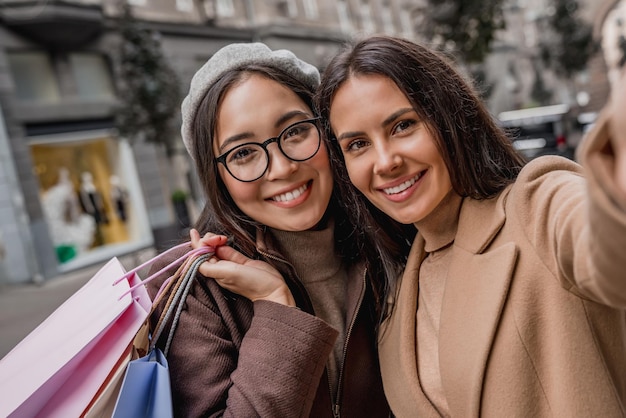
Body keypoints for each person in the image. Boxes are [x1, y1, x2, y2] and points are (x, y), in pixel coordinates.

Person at [315, 35, 626, 417]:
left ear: (448, 117)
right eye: (358, 145)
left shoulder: (538, 206)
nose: (385, 161)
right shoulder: (394, 299)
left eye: (403, 126)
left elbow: (609, 246)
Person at [146, 42, 413, 417]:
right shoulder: (192, 292)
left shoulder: (391, 239)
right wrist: (275, 307)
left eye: (294, 132)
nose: (281, 168)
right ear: (217, 177)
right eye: (243, 153)